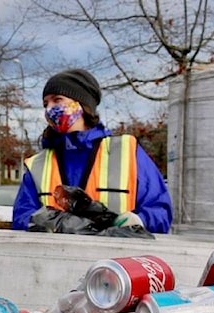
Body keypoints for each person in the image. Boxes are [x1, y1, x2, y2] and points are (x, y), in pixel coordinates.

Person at [12, 68, 173, 233]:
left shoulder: (127, 152)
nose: (49, 109)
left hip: (115, 256)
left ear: (82, 104)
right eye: (46, 104)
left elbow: (160, 212)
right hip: (54, 257)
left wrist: (139, 221)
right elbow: (22, 218)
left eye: (57, 100)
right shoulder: (39, 164)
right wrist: (58, 223)